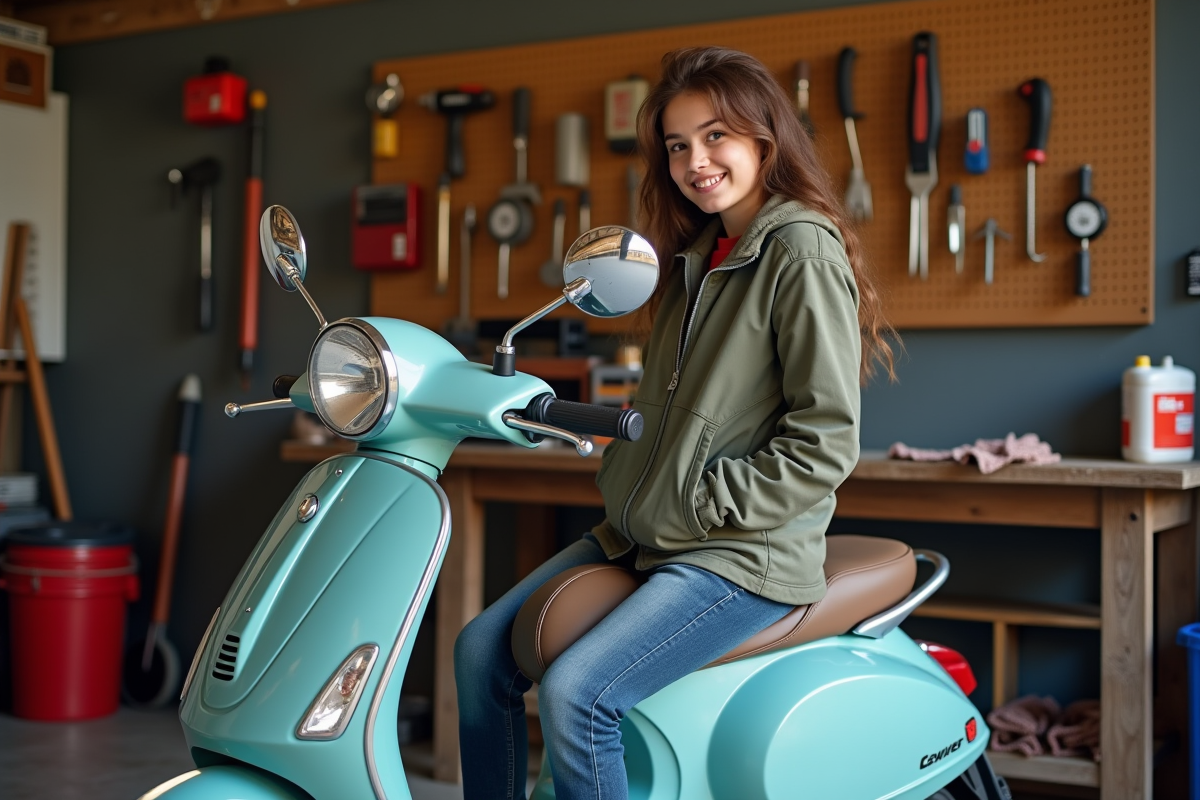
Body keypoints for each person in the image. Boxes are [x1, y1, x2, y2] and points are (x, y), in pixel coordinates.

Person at [454, 45, 897, 800]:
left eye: (716, 135)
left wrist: (703, 499)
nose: (697, 159)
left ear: (764, 137)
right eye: (678, 144)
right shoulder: (696, 253)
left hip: (737, 552)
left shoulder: (797, 247)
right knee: (477, 653)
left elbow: (826, 441)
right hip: (644, 530)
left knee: (578, 694)